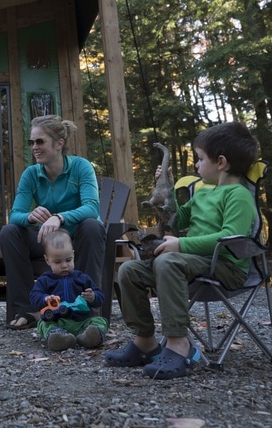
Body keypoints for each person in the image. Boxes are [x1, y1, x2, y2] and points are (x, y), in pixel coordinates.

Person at [104, 121, 258, 379]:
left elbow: (229, 236)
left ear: (220, 162)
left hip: (225, 267)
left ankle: (179, 344)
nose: (196, 165)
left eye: (200, 159)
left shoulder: (238, 196)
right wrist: (168, 190)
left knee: (168, 261)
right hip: (191, 264)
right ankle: (146, 342)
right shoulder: (202, 192)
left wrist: (180, 244)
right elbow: (177, 220)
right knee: (130, 269)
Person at [0, 114, 105, 330]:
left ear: (59, 144)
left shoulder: (81, 167)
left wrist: (60, 217)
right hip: (46, 240)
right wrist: (30, 217)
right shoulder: (31, 174)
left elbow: (92, 207)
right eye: (31, 142)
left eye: (40, 141)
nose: (34, 147)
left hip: (77, 239)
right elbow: (16, 213)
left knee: (92, 225)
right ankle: (27, 310)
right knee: (9, 232)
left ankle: (87, 309)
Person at [29, 229, 108, 350]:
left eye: (68, 260)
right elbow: (34, 296)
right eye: (58, 262)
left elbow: (100, 296)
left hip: (81, 322)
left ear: (73, 255)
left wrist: (93, 297)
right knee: (43, 324)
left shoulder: (82, 278)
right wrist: (45, 299)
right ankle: (60, 339)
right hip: (56, 321)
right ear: (47, 260)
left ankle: (89, 337)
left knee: (99, 321)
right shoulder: (44, 280)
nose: (64, 265)